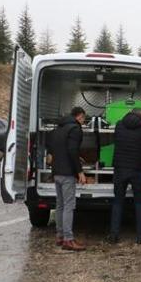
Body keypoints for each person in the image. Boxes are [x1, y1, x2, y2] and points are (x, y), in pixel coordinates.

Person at [107, 108, 141, 244]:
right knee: (139, 202)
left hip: (120, 168)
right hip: (137, 169)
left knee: (118, 202)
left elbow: (116, 140)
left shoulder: (119, 125)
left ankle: (114, 235)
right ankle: (140, 236)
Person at [48, 106, 87, 251]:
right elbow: (72, 150)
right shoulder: (75, 129)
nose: (83, 122)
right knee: (69, 206)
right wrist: (80, 172)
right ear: (79, 116)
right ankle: (68, 240)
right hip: (67, 174)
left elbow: (53, 148)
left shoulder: (57, 129)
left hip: (56, 172)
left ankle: (59, 236)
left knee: (60, 205)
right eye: (83, 119)